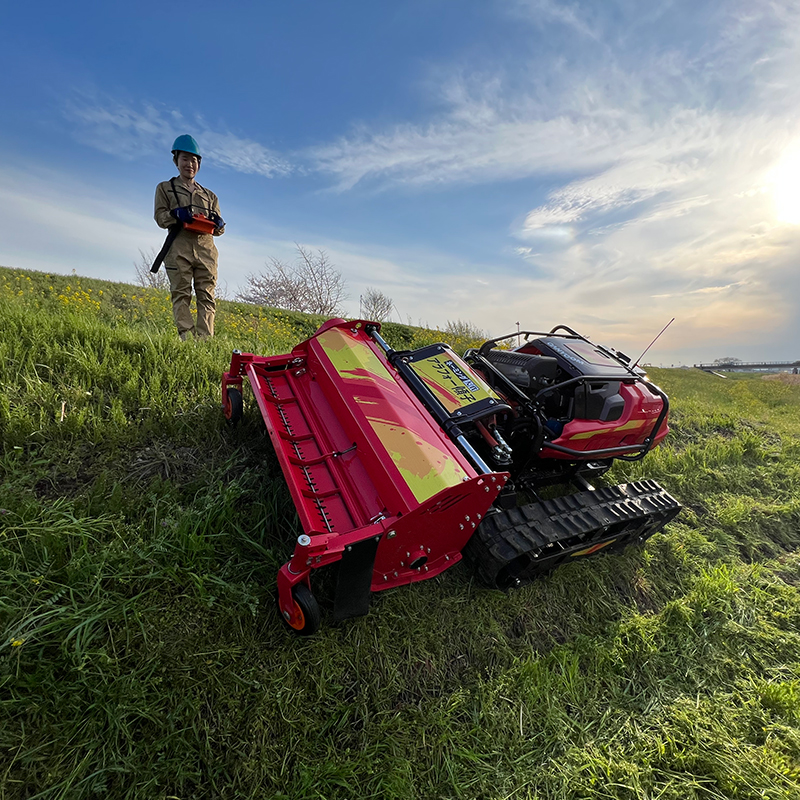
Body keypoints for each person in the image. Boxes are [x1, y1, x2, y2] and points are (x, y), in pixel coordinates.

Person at [154, 135, 225, 339]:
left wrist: (219, 223)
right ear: (176, 160)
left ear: (199, 164)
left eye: (194, 160)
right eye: (185, 158)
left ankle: (204, 342)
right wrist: (175, 215)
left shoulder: (210, 196)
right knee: (181, 294)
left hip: (206, 251)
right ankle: (187, 338)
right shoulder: (165, 188)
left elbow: (219, 230)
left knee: (207, 296)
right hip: (178, 249)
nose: (190, 164)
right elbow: (159, 217)